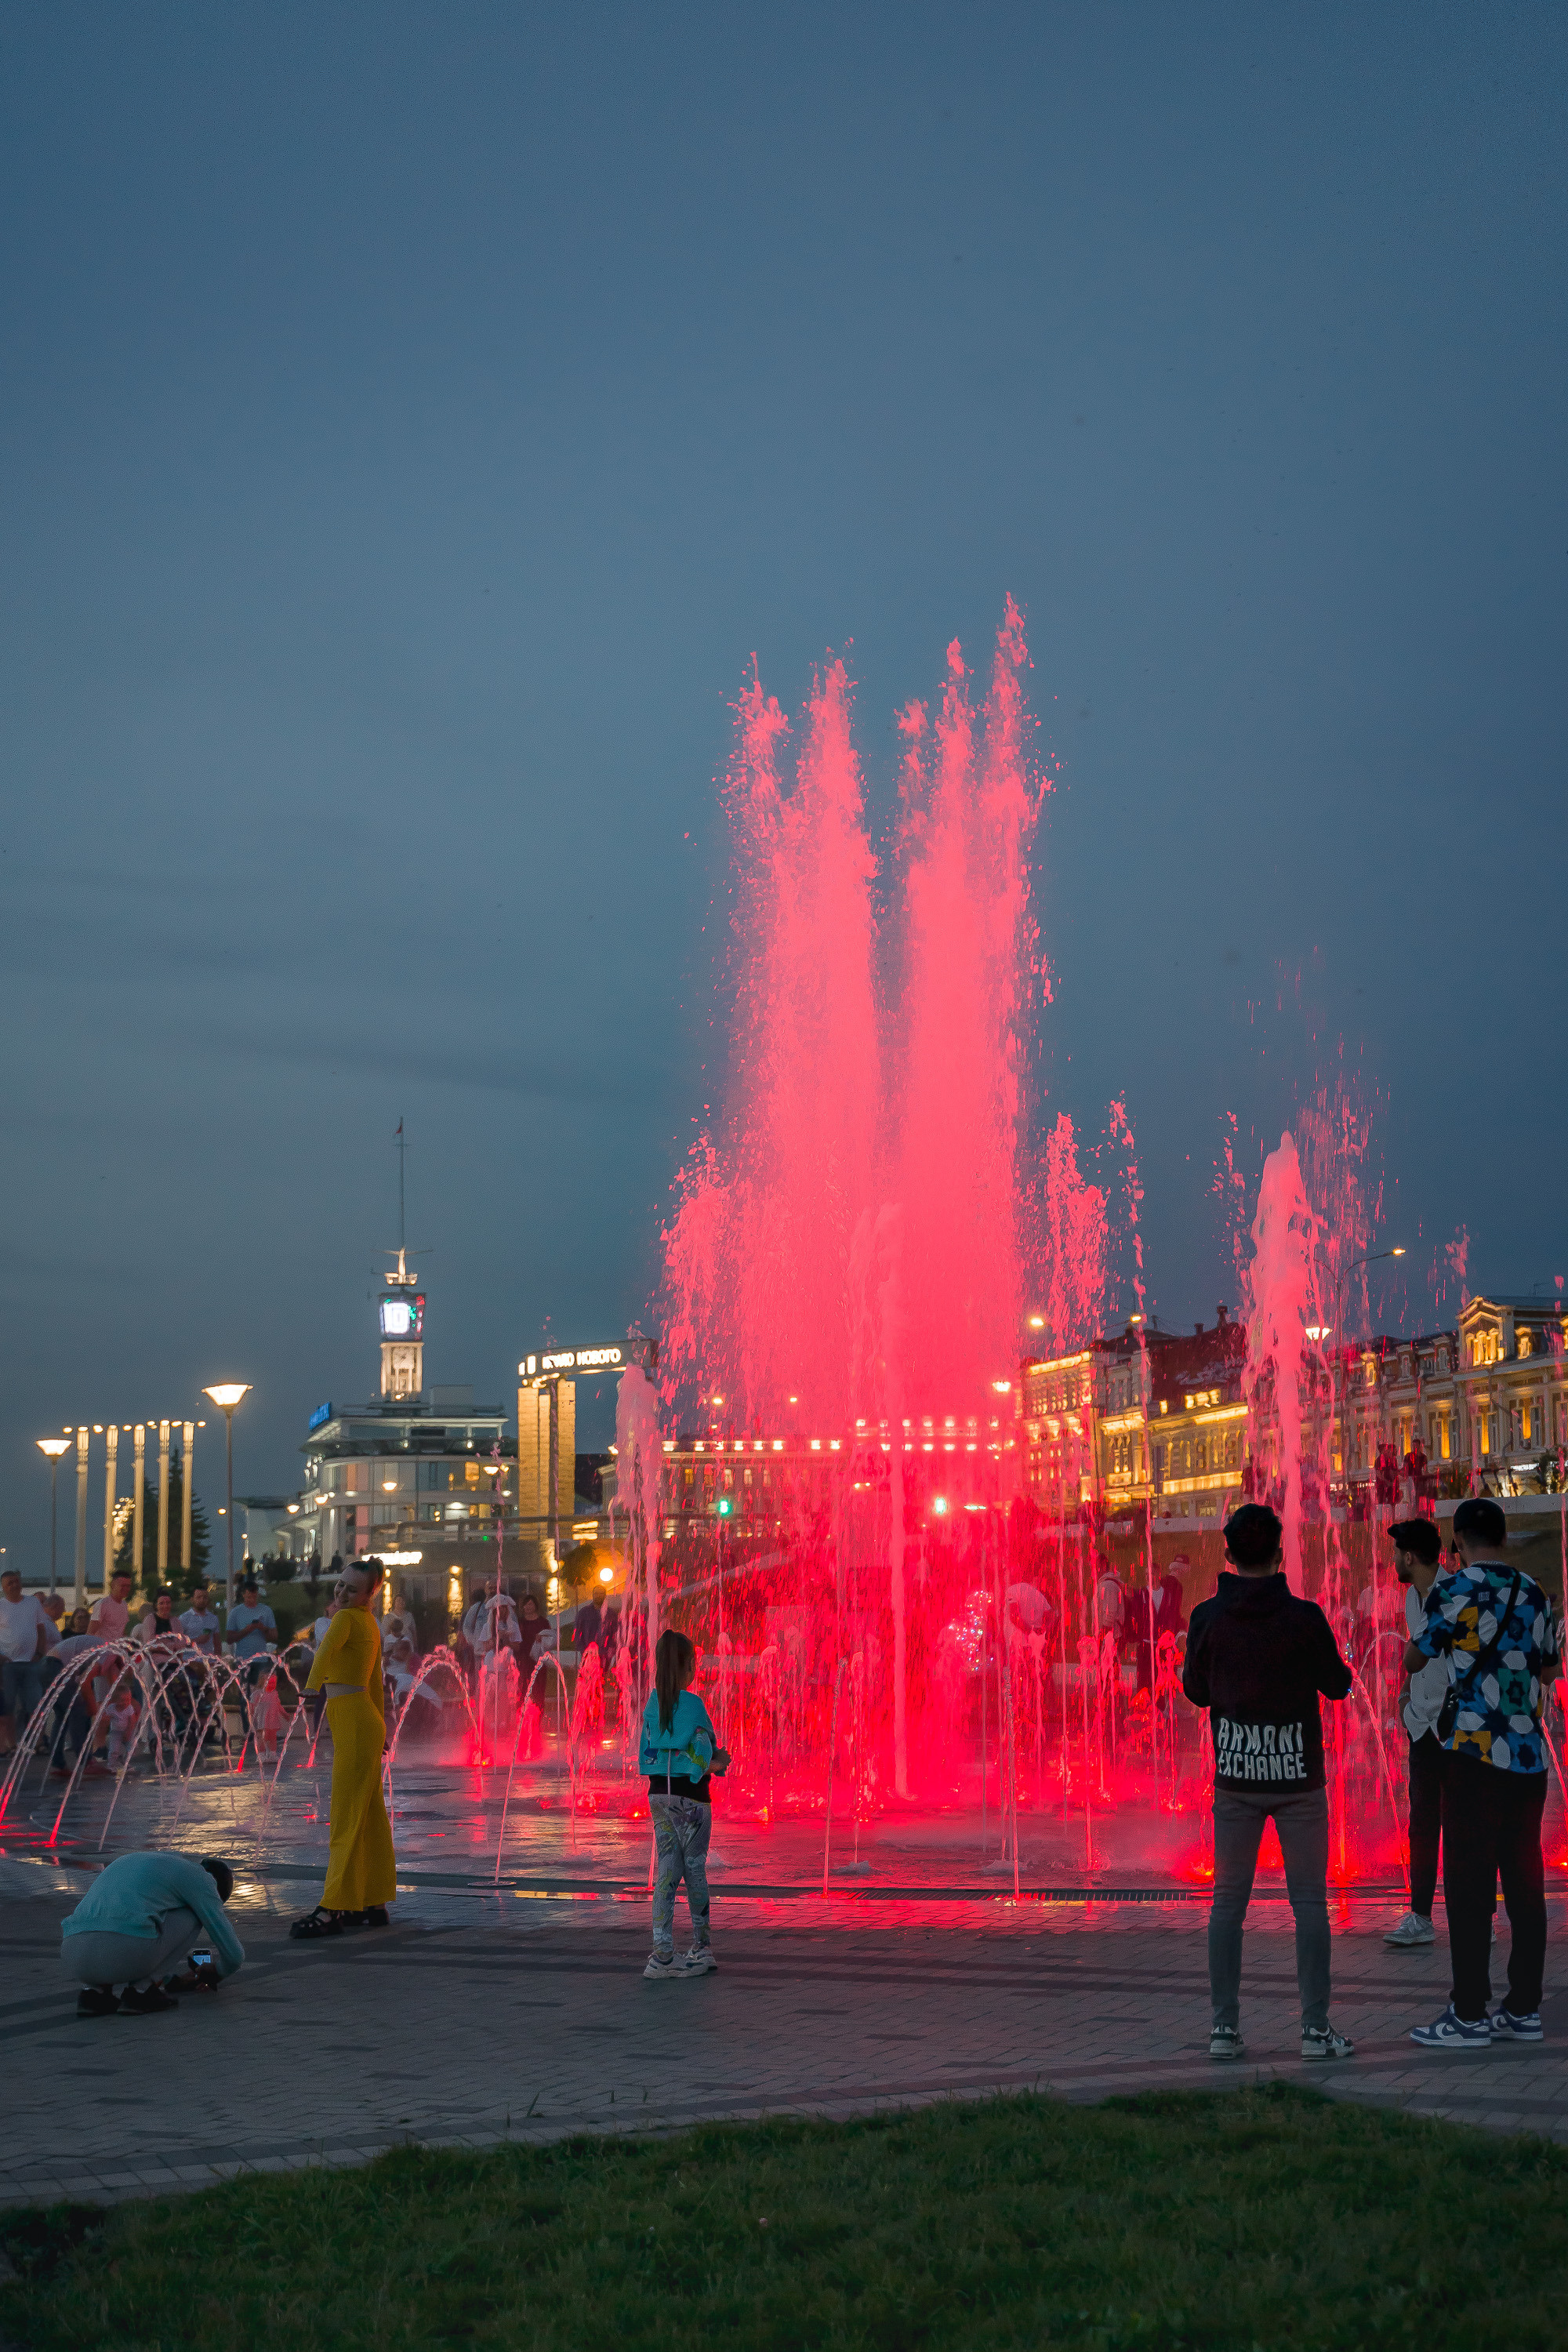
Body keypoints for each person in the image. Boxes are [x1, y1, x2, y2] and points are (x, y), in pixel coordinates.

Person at [1181, 1502, 1356, 2063]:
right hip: (1298, 1778)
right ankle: (1314, 2029)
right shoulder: (1304, 1617)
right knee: (1309, 1903)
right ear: (1280, 1554)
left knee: (1227, 1904)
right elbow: (1337, 1686)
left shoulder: (1208, 1617)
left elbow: (1197, 1691)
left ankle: (1224, 2030)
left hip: (1236, 1776)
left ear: (1228, 1555)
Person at [1405, 1496, 1559, 2049]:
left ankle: (1468, 2013)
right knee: (1525, 1884)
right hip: (1527, 1758)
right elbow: (1548, 1666)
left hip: (1473, 1755)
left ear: (1457, 1540)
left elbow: (1416, 1658)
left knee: (1470, 1888)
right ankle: (1523, 2008)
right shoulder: (1535, 1592)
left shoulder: (1455, 1588)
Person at [292, 1560, 396, 1939]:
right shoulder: (369, 1622)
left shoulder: (346, 1621)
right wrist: (382, 1726)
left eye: (352, 1590)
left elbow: (324, 1654)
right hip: (363, 1719)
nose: (342, 1594)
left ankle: (333, 1905)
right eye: (340, 1586)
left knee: (347, 1816)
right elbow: (375, 1680)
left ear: (371, 1594)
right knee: (367, 1815)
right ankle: (372, 1901)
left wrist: (311, 1686)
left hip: (354, 1721)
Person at [637, 1628, 730, 1980]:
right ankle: (701, 1948)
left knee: (666, 1872)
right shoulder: (692, 1704)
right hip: (691, 1800)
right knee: (694, 1868)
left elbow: (651, 1751)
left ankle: (661, 1955)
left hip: (658, 1796)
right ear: (688, 1665)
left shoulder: (651, 1703)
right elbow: (704, 1750)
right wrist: (717, 1762)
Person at [60, 1850, 243, 2018]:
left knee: (128, 1917)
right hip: (123, 1952)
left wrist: (171, 1980)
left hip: (73, 1954)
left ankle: (94, 1995)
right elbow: (234, 1956)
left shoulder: (137, 1861)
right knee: (195, 1912)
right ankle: (143, 1991)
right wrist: (217, 1973)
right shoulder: (202, 1880)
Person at [1384, 1519, 1449, 1949]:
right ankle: (1421, 1916)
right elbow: (1415, 1649)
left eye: (1395, 1554)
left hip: (1457, 1726)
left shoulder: (1457, 1593)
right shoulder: (1412, 1597)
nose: (1391, 1561)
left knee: (1467, 1822)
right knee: (1422, 1822)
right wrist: (1406, 1702)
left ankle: (1479, 1912)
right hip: (1422, 1728)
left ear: (1409, 1556)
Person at [0, 1568, 59, 1752]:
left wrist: (39, 1653)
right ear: (3, 1587)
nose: (15, 1585)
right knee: (7, 1706)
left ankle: (39, 1742)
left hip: (31, 1663)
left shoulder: (33, 1603)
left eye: (16, 1581)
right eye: (10, 1582)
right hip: (8, 1665)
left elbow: (41, 1629)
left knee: (35, 1704)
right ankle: (11, 1745)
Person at [224, 1577, 277, 1669]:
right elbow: (229, 1639)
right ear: (243, 1595)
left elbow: (274, 1636)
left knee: (261, 1683)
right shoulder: (235, 1613)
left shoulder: (266, 1611)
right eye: (249, 1597)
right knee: (244, 1683)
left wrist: (263, 1629)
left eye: (254, 1597)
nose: (252, 1600)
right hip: (242, 1660)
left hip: (261, 1660)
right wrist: (247, 1630)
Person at [89, 1570, 135, 1642]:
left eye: (128, 1586)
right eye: (123, 1586)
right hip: (104, 1649)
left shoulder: (124, 1605)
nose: (126, 1589)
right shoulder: (103, 1604)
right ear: (112, 1585)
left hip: (118, 1649)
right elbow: (91, 1632)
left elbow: (121, 1630)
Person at [179, 1584, 221, 1655]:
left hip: (209, 1661)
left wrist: (218, 1661)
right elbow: (178, 1644)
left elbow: (217, 1644)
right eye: (199, 1597)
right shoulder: (184, 1618)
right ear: (192, 1599)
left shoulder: (213, 1618)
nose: (202, 1600)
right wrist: (197, 1641)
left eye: (205, 1598)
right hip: (190, 1661)